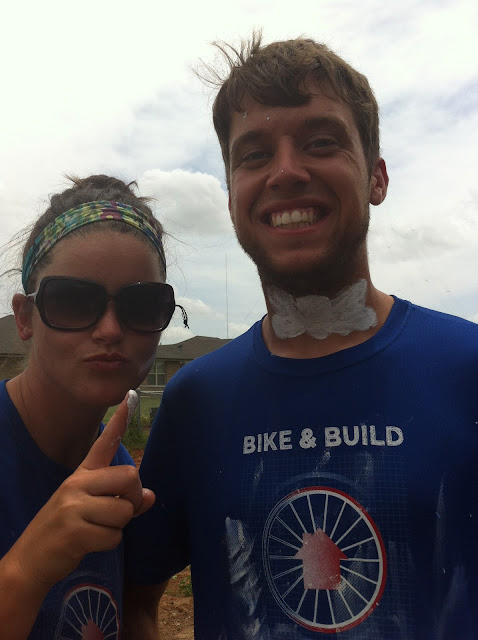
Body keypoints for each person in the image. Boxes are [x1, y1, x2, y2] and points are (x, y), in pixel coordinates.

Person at [124, 35, 478, 639]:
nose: (286, 171)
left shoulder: (465, 369)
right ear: (231, 196)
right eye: (254, 155)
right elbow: (134, 602)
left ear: (377, 177)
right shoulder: (195, 401)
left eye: (321, 142)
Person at [0, 174, 186, 638]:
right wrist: (26, 569)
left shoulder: (118, 474)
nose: (109, 329)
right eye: (72, 300)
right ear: (24, 317)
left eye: (142, 304)